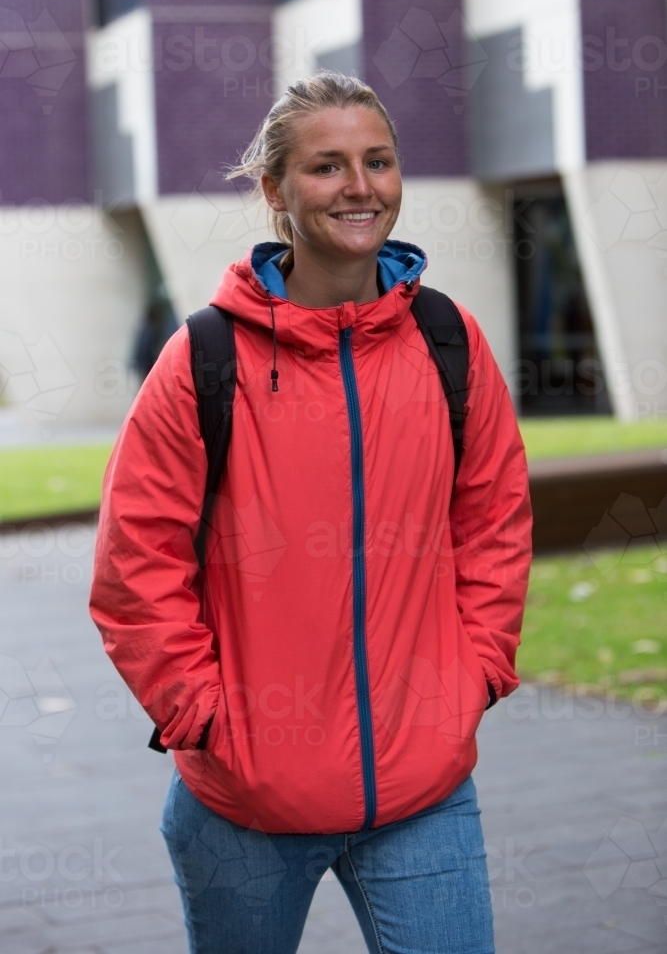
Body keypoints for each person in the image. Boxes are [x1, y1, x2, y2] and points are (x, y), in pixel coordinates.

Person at [90, 71, 532, 954]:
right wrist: (205, 719)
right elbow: (137, 566)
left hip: (422, 787)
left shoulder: (448, 340)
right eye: (326, 166)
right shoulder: (203, 357)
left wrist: (472, 673)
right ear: (274, 189)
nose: (359, 187)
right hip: (244, 800)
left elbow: (493, 523)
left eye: (378, 161)